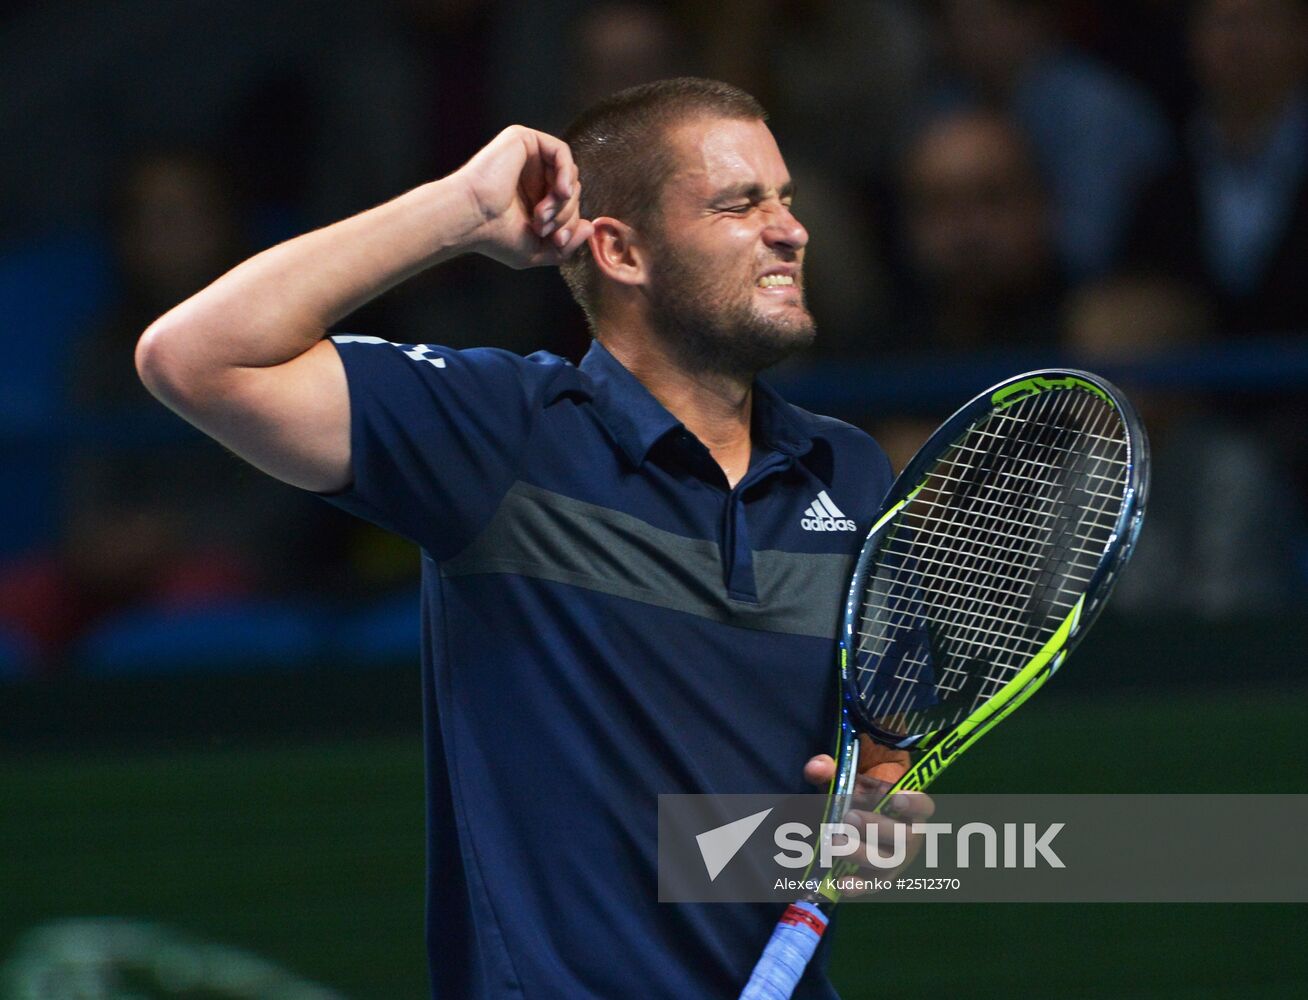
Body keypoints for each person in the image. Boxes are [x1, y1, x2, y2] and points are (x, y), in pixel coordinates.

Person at [136, 78, 929, 999]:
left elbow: (868, 761)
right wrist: (460, 210)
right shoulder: (499, 433)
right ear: (622, 250)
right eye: (739, 202)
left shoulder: (850, 474)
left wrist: (878, 807)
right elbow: (191, 357)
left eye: (784, 198)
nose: (789, 227)